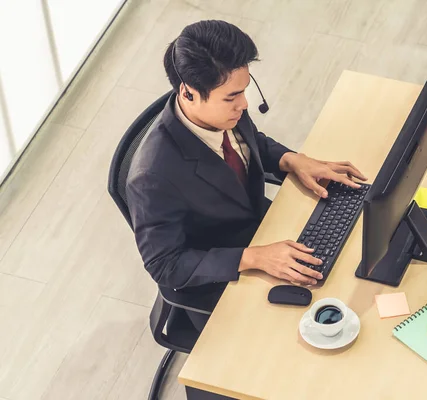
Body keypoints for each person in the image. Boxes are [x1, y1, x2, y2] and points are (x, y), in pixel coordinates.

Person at [126, 20, 367, 331]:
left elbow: (249, 143)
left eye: (244, 91)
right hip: (222, 278)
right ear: (188, 94)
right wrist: (253, 258)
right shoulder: (152, 177)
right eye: (232, 97)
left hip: (264, 231)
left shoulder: (225, 110)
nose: (244, 104)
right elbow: (166, 265)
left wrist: (291, 159)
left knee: (347, 270)